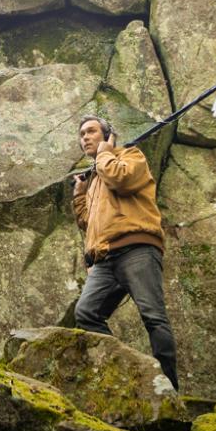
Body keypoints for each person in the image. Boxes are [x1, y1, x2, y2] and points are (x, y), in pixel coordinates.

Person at [69, 114, 179, 390]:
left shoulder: (131, 156)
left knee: (153, 316)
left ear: (107, 136)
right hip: (105, 259)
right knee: (86, 313)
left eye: (91, 132)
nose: (85, 138)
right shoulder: (95, 179)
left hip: (137, 248)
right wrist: (80, 194)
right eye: (81, 134)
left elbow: (122, 180)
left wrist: (105, 155)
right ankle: (128, 380)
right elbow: (90, 222)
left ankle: (168, 388)